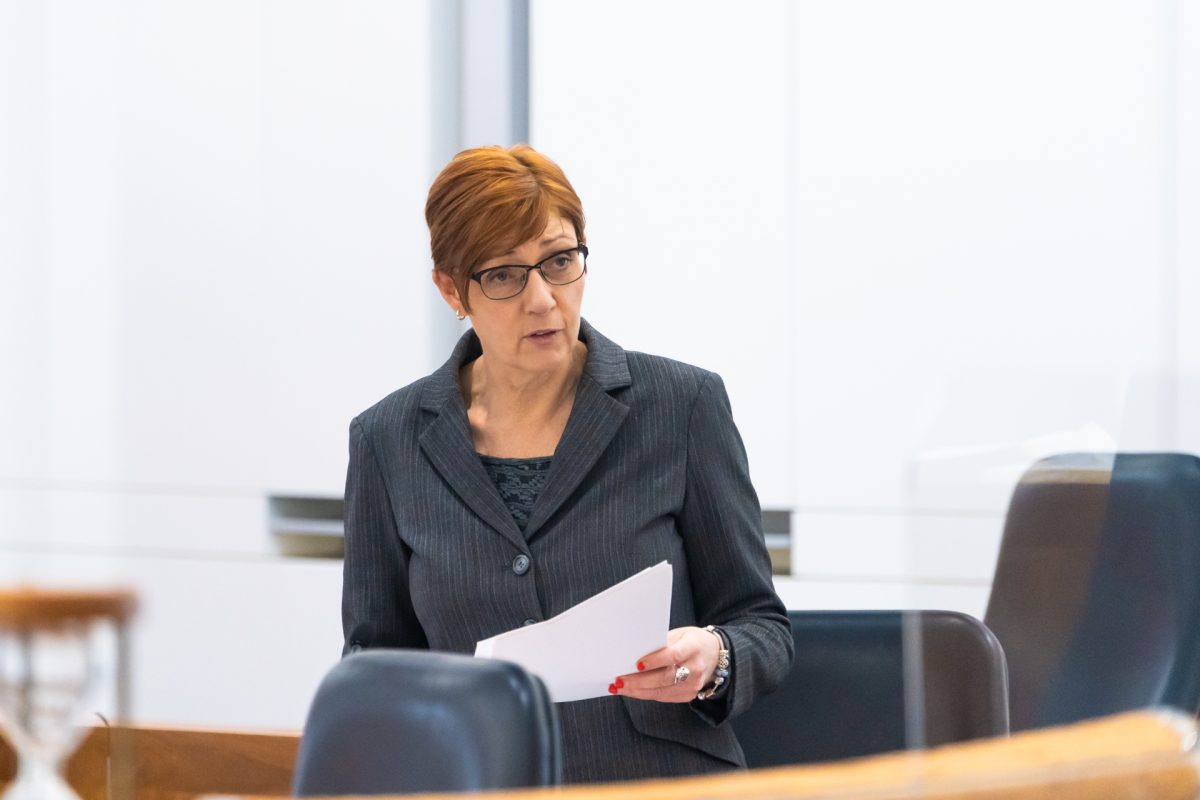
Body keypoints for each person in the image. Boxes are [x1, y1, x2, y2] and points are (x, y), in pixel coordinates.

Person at [341, 144, 793, 784]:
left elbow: (763, 627)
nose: (543, 299)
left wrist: (715, 655)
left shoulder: (681, 406)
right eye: (504, 275)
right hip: (478, 784)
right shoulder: (387, 440)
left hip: (658, 781)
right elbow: (373, 661)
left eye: (559, 262)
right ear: (451, 289)